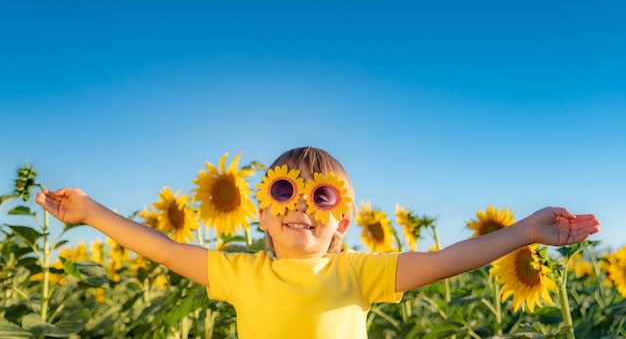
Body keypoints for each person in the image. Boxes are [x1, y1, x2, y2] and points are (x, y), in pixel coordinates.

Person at [35, 146, 600, 339]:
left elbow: (445, 261)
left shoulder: (358, 272)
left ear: (343, 224)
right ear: (261, 215)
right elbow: (159, 245)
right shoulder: (242, 274)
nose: (300, 206)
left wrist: (524, 232)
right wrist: (90, 213)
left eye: (320, 198)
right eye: (284, 191)